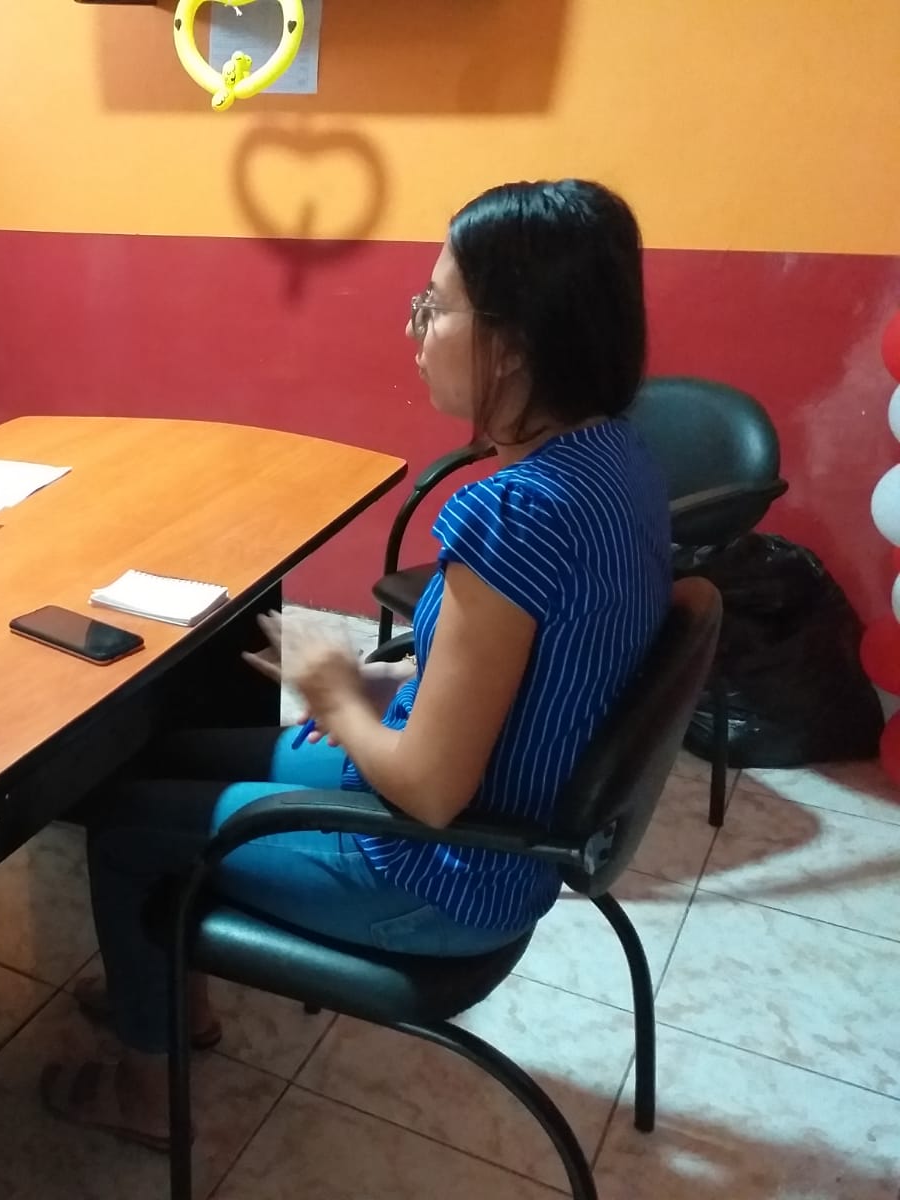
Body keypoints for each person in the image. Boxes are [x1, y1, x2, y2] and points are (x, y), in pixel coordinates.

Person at [40, 178, 672, 1148]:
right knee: (164, 757)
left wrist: (334, 694)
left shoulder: (511, 514)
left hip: (447, 874)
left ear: (511, 340)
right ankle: (166, 990)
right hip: (509, 810)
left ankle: (146, 1094)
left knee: (125, 827)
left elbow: (429, 788)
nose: (415, 329)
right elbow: (534, 671)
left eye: (435, 305)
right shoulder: (617, 462)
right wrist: (379, 687)